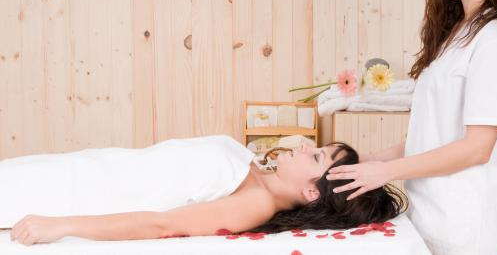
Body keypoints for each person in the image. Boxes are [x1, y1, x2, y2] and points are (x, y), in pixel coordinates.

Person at [327, 0, 497, 255]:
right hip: (432, 207)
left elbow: (478, 147)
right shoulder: (456, 34)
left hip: (469, 211)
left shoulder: (496, 38)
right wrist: (371, 159)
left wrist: (385, 171)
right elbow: (432, 134)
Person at [3, 135, 406, 246]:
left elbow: (161, 225)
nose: (304, 145)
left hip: (78, 191)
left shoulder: (256, 203)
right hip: (85, 167)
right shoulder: (259, 173)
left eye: (315, 156)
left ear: (313, 193)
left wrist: (56, 225)